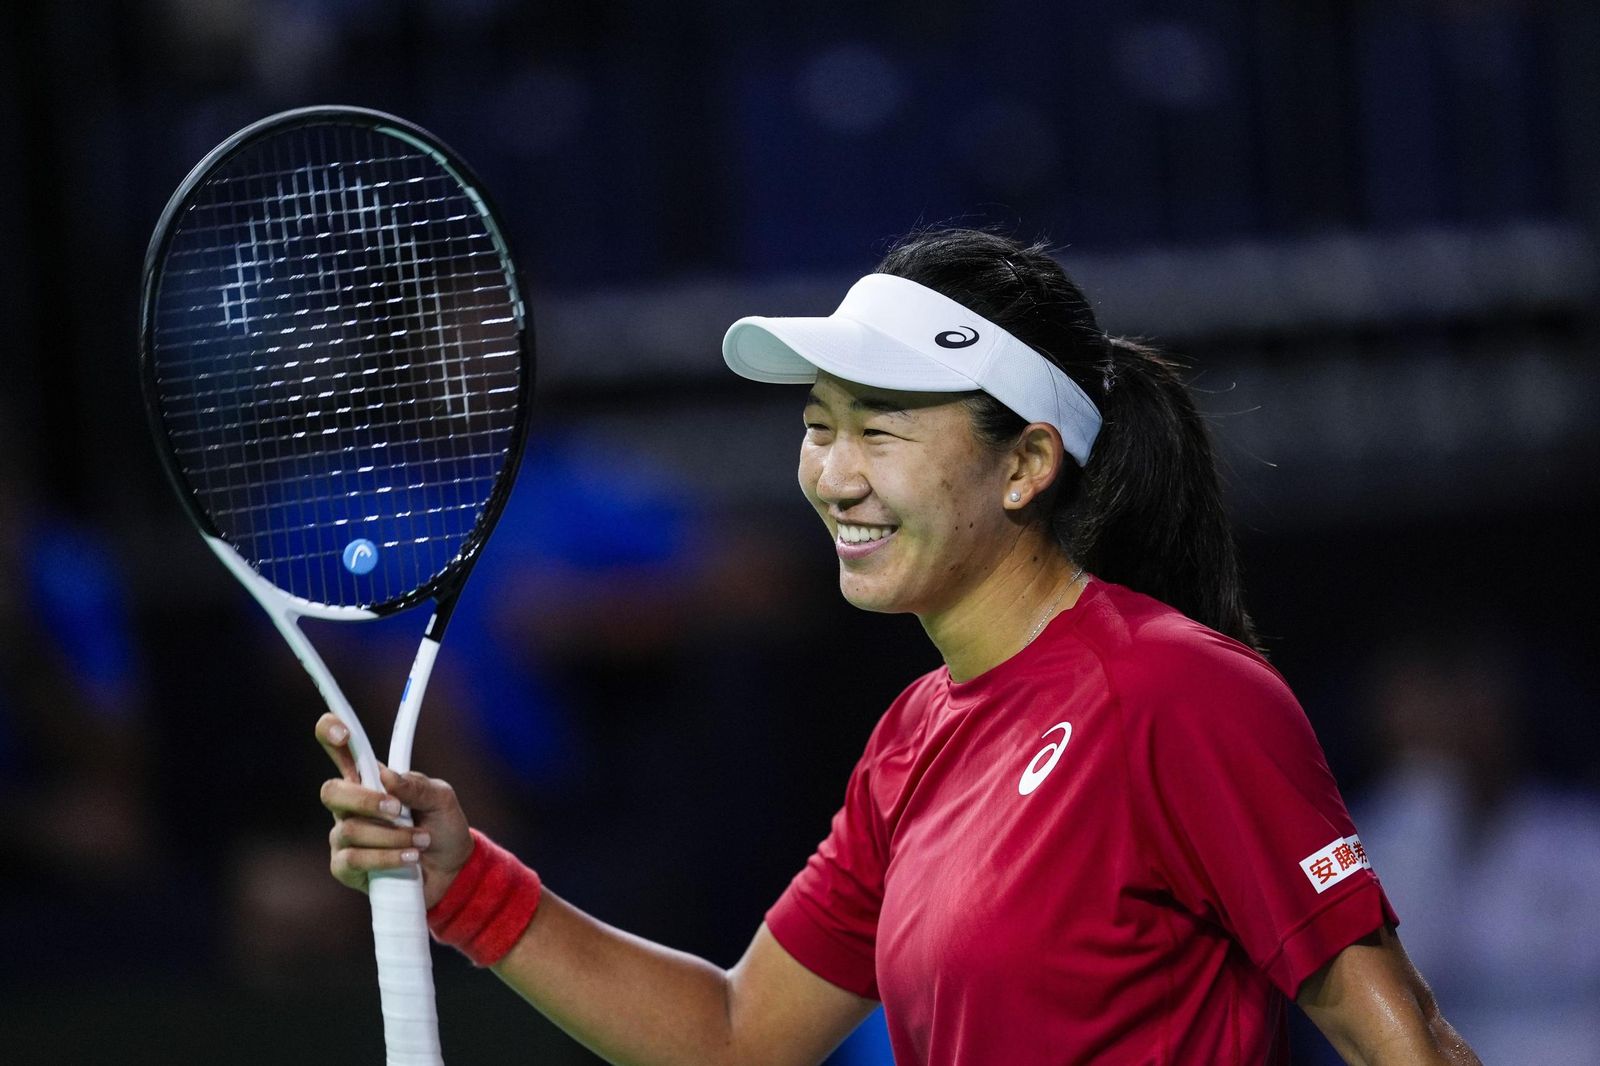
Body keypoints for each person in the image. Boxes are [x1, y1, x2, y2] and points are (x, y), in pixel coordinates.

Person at [317, 227, 1481, 1065]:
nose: (834, 473)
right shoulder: (910, 741)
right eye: (819, 426)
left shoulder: (1176, 690)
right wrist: (464, 885)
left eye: (879, 428)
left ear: (1025, 464)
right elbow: (737, 1037)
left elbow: (1393, 1034)